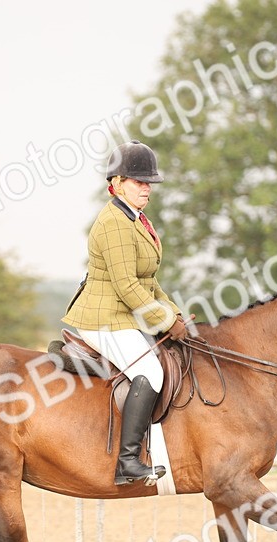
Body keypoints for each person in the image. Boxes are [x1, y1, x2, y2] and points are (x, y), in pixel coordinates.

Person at [62, 140, 190, 486]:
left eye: (149, 182)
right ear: (116, 182)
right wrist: (165, 321)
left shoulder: (136, 218)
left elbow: (149, 281)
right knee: (150, 370)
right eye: (139, 182)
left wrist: (177, 315)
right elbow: (127, 287)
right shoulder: (115, 223)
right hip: (104, 318)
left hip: (125, 315)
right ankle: (128, 461)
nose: (146, 188)